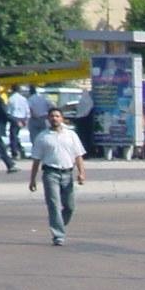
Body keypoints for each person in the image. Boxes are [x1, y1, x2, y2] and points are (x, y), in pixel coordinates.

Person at [28, 107, 86, 246]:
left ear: (62, 118)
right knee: (53, 205)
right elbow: (36, 160)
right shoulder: (43, 137)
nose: (54, 118)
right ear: (48, 119)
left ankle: (58, 222)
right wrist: (32, 180)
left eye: (57, 116)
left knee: (70, 206)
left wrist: (81, 173)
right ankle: (58, 235)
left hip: (67, 173)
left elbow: (78, 155)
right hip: (50, 173)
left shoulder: (71, 135)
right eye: (52, 116)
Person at [7, 84, 30, 159]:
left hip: (14, 119)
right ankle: (21, 150)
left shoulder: (11, 99)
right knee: (16, 135)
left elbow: (9, 112)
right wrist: (26, 120)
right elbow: (27, 110)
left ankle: (15, 152)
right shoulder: (23, 99)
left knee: (13, 136)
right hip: (22, 118)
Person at [74, 87, 95, 155]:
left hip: (80, 121)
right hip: (87, 121)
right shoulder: (90, 101)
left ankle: (83, 152)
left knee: (81, 137)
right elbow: (90, 111)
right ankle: (88, 152)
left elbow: (78, 111)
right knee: (87, 138)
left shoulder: (81, 101)